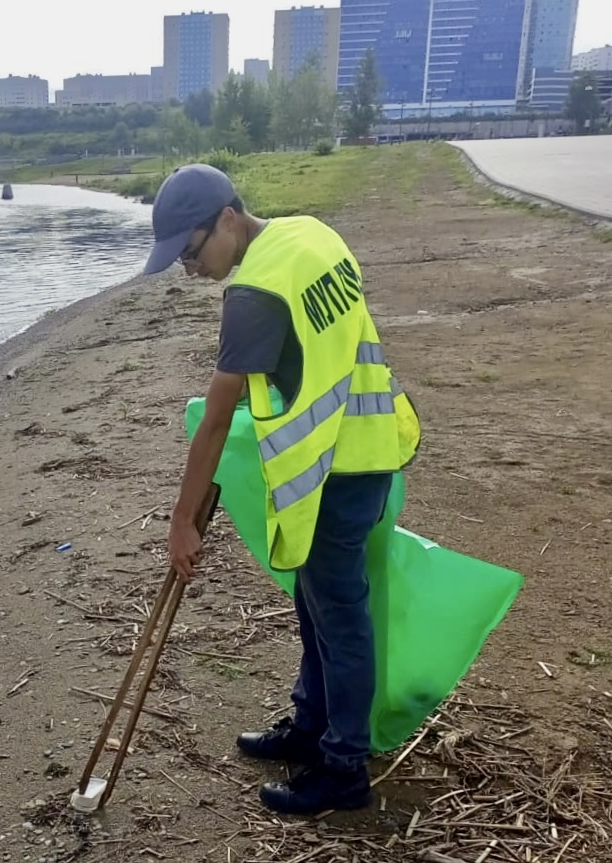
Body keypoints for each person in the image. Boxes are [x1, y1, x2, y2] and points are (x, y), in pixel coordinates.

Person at [141, 163, 422, 816]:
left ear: (227, 219)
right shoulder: (312, 234)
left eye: (190, 252)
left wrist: (182, 520)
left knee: (339, 618)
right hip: (367, 448)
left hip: (333, 473)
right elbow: (316, 353)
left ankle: (343, 769)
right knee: (316, 603)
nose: (190, 270)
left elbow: (216, 419)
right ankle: (310, 724)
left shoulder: (254, 292)